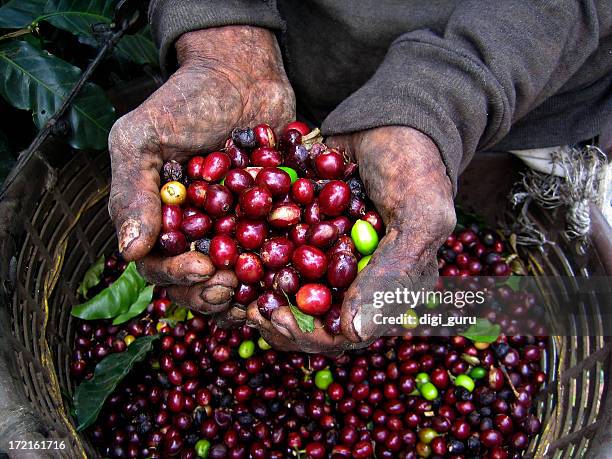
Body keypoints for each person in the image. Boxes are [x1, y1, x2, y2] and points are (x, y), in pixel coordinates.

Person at [108, 1, 612, 353]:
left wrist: (439, 104)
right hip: (294, 50)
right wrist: (221, 29)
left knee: (517, 264)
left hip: (524, 80)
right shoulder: (282, 190)